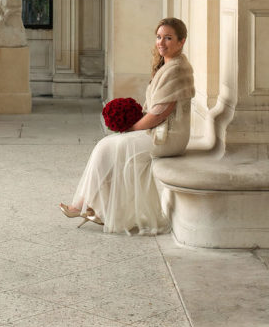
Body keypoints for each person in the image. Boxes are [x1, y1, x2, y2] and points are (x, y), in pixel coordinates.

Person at [60, 18, 195, 234]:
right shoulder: (168, 65)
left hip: (169, 136)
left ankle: (88, 207)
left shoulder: (177, 69)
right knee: (106, 147)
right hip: (159, 132)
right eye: (159, 37)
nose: (161, 42)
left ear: (181, 41)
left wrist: (130, 128)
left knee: (112, 146)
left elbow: (160, 114)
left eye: (168, 38)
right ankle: (90, 207)